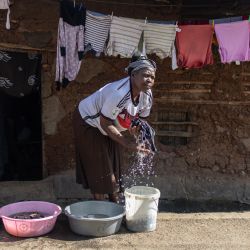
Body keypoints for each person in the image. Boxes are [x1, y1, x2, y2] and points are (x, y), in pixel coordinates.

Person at [72, 52, 156, 202]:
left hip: (109, 123)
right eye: (145, 75)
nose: (149, 79)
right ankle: (102, 212)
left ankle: (114, 204)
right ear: (133, 75)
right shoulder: (120, 93)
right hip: (88, 122)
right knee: (101, 170)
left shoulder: (147, 95)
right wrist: (128, 143)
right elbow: (105, 123)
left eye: (152, 77)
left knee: (115, 169)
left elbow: (140, 121)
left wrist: (139, 138)